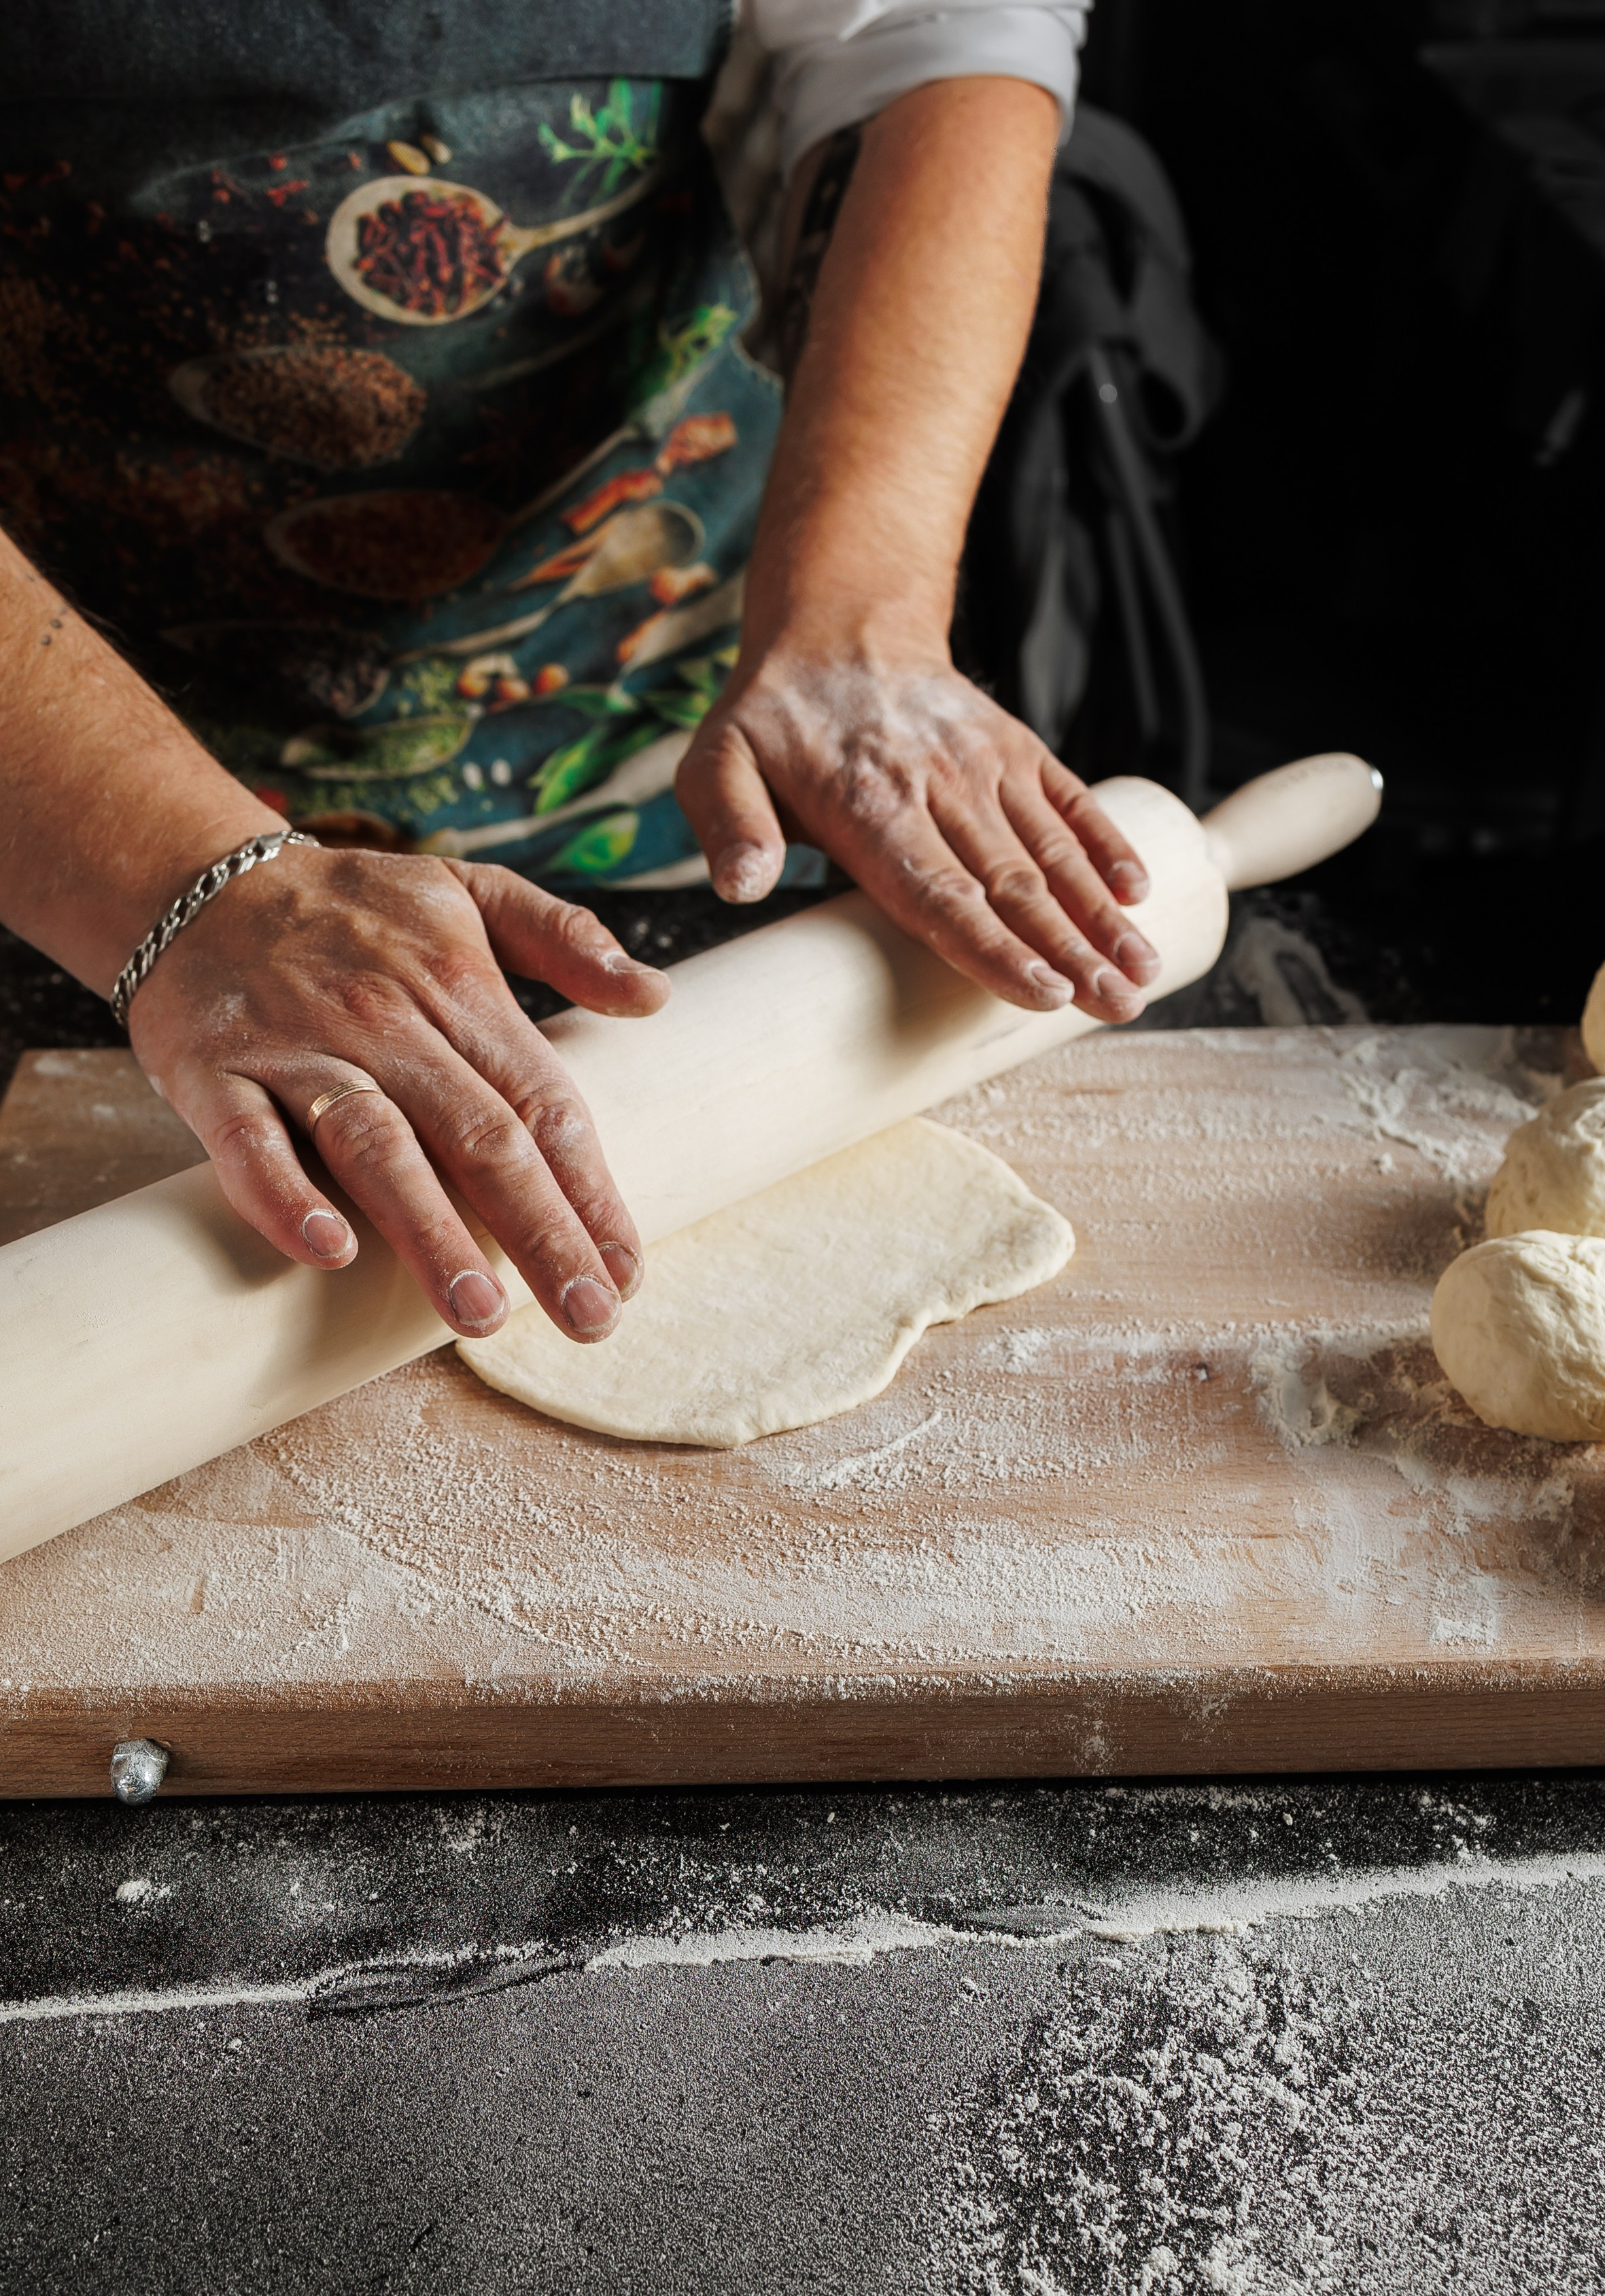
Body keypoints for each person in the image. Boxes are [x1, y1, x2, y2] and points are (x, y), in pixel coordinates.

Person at [0, 0, 1161, 1352]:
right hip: (52, 810)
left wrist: (860, 618)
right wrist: (172, 878)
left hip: (643, 737)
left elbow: (925, 30)